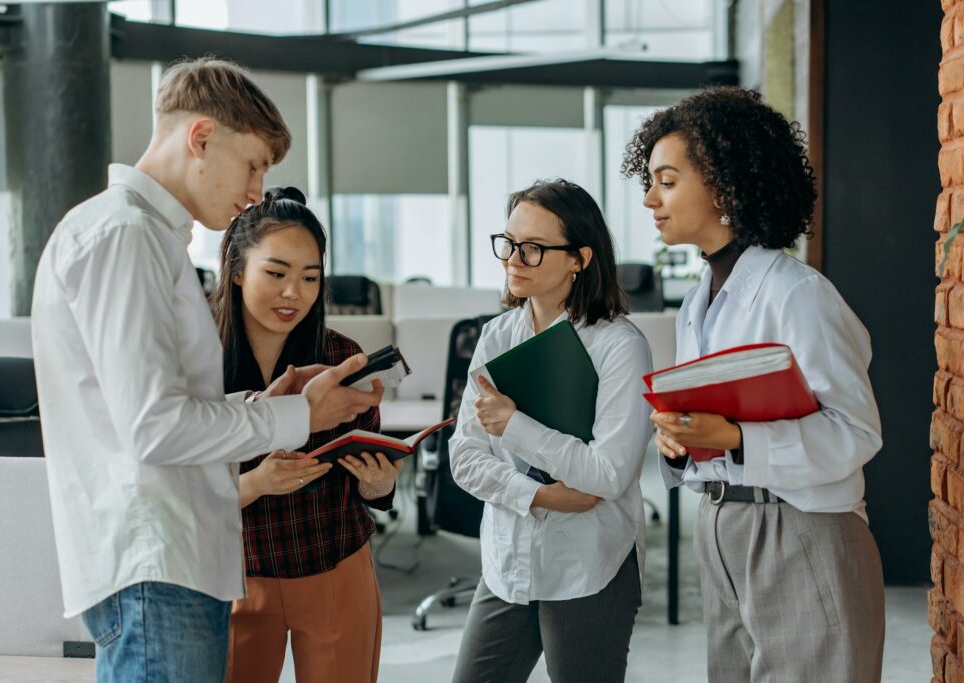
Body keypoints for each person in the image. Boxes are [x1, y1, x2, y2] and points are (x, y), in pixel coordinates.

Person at [30, 58, 382, 683]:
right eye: (252, 165)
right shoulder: (124, 237)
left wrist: (262, 403)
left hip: (172, 561)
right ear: (200, 138)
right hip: (157, 564)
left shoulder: (146, 238)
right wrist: (299, 415)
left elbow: (158, 406)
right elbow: (154, 427)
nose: (254, 192)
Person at [623, 86, 884, 681]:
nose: (649, 200)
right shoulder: (697, 301)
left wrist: (737, 437)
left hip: (800, 529)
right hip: (722, 527)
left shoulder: (799, 294)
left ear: (723, 184)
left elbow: (856, 431)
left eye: (667, 181)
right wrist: (683, 439)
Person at [448, 179, 653, 683]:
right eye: (509, 243)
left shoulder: (619, 346)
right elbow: (465, 457)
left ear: (579, 258)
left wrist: (514, 426)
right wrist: (540, 495)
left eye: (534, 248)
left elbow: (608, 475)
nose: (514, 258)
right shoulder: (497, 336)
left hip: (589, 564)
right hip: (507, 563)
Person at [216, 187, 399, 683]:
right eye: (276, 274)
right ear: (236, 271)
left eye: (310, 277)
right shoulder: (200, 361)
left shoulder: (342, 356)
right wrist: (256, 483)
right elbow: (174, 487)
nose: (293, 293)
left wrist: (378, 485)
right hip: (234, 575)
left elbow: (371, 471)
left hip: (334, 565)